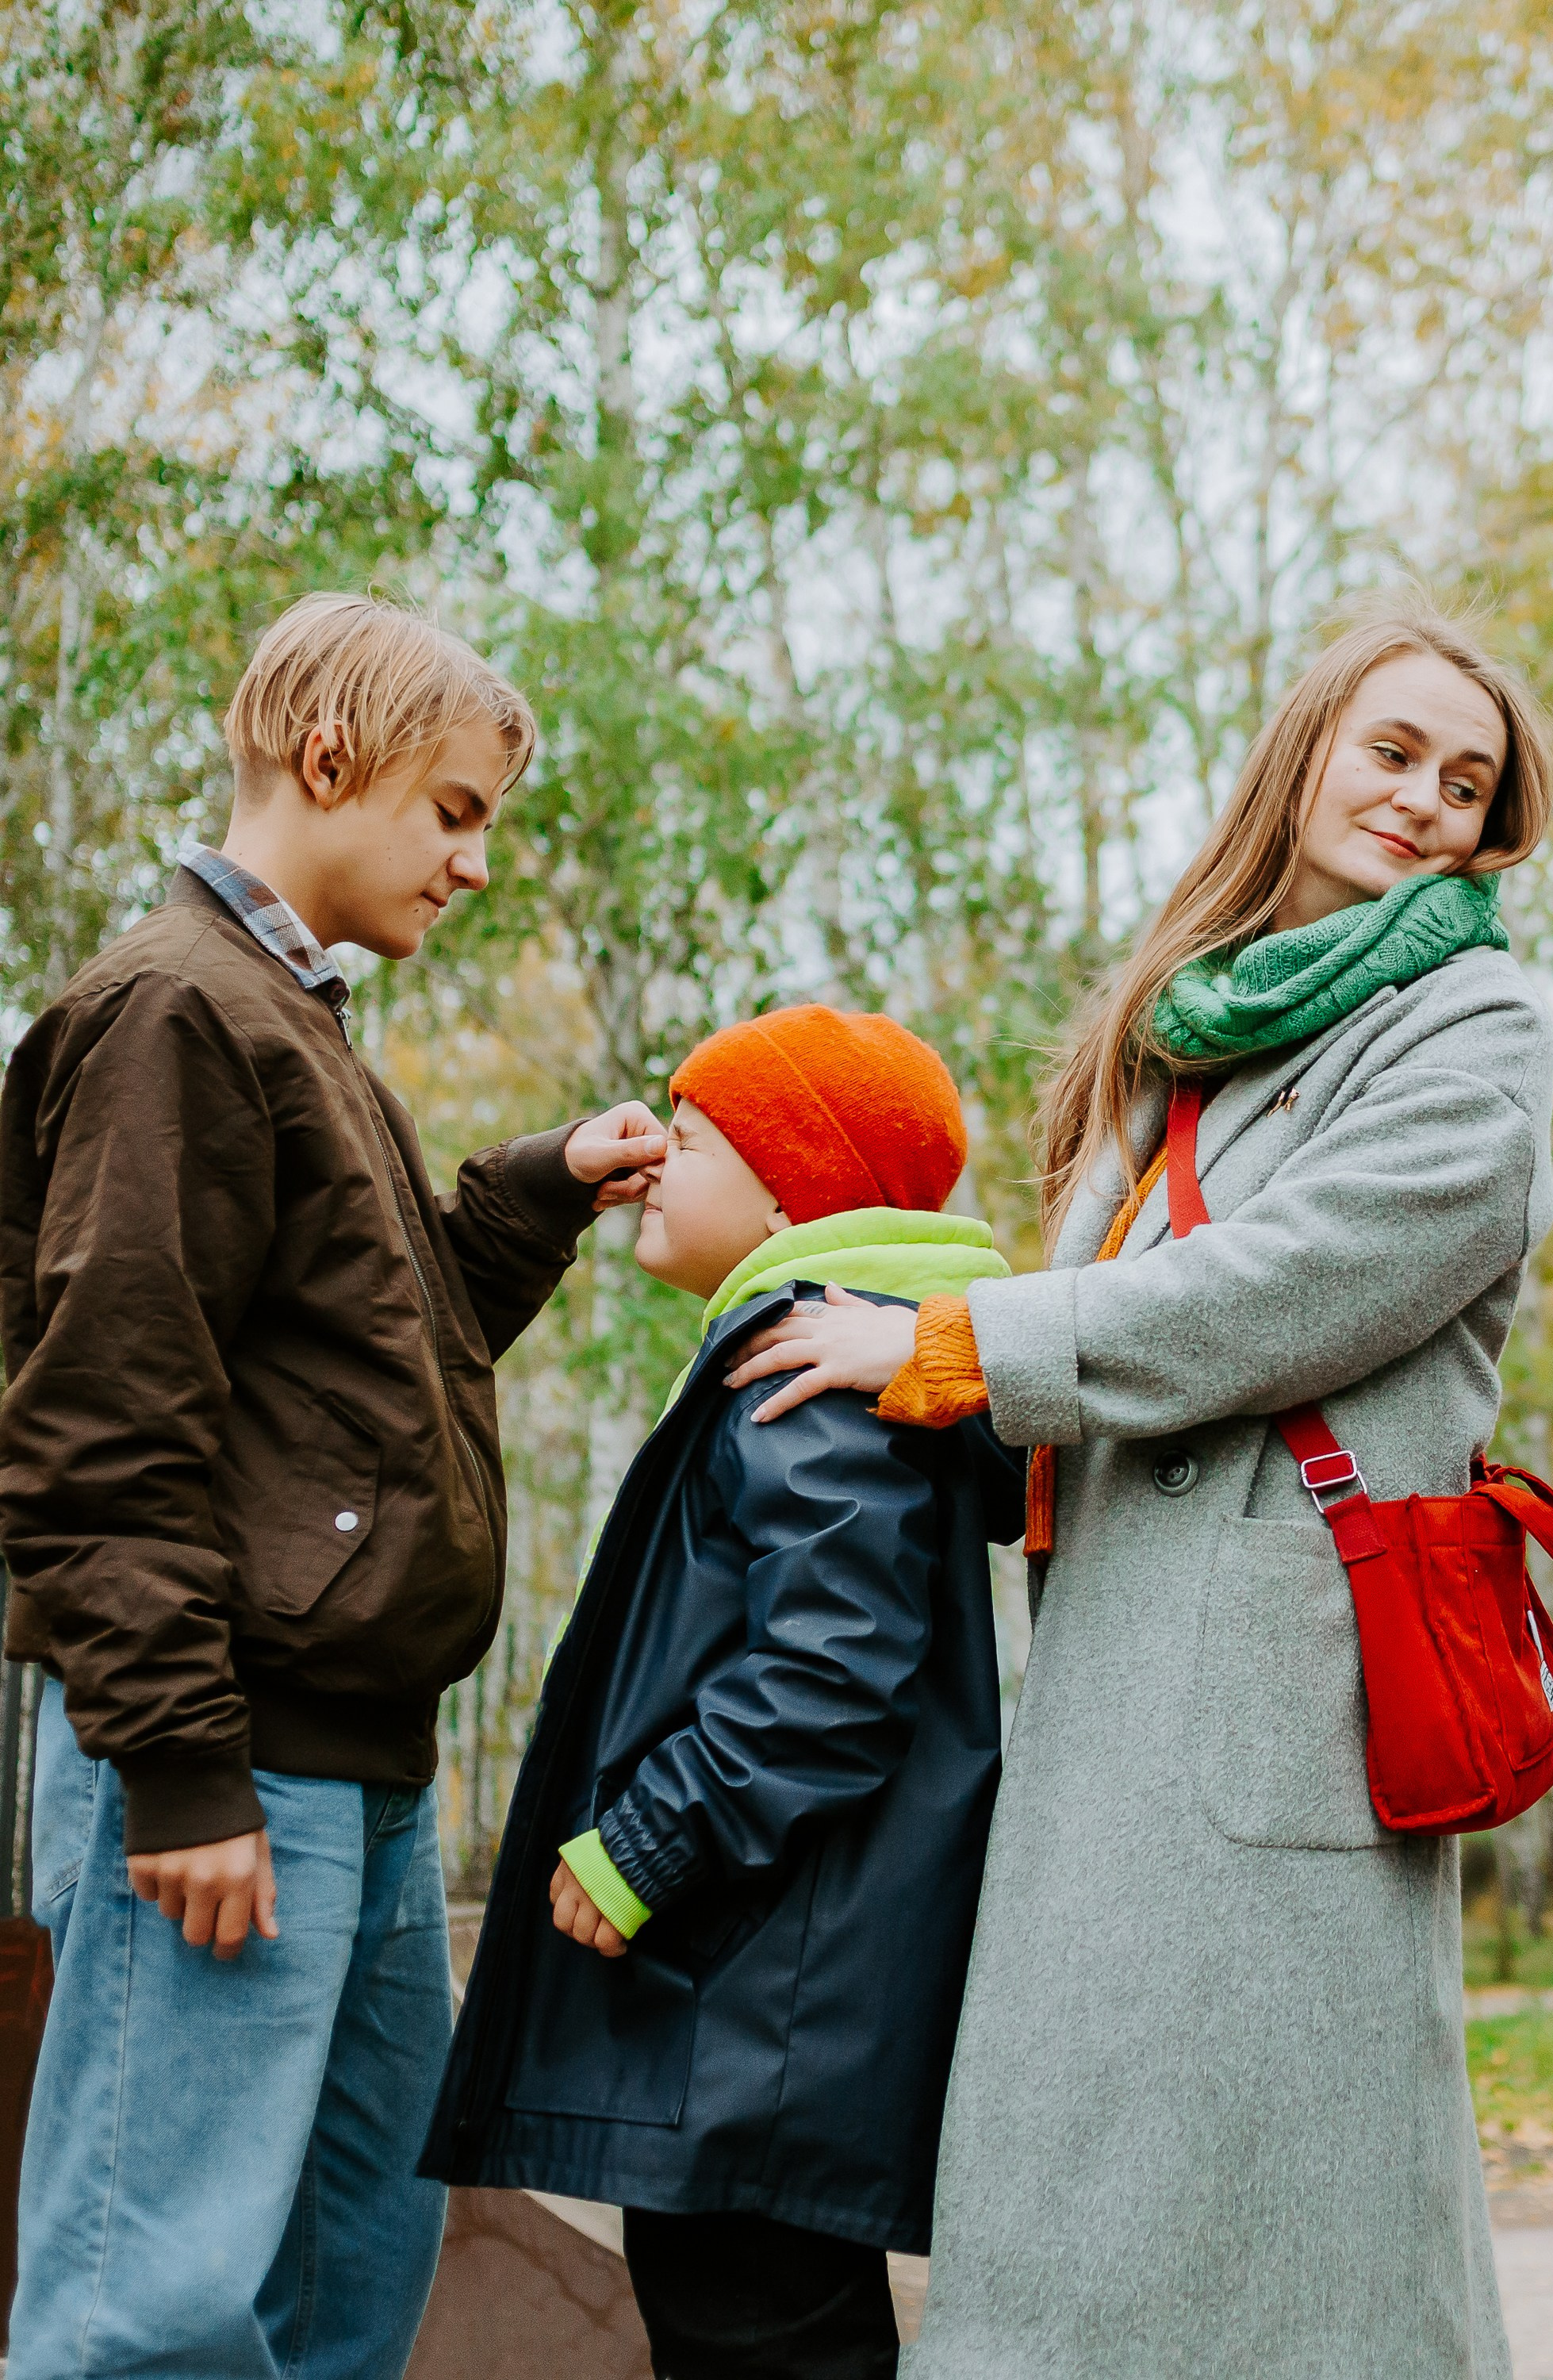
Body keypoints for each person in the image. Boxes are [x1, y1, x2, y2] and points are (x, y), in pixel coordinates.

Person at [726, 597, 1553, 2378]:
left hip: (1283, 1694)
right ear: (1304, 758)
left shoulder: (1476, 1025)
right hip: (1107, 1674)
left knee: (1291, 2238)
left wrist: (955, 1341)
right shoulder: (1179, 1023)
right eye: (1390, 753)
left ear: (1495, 832)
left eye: (1465, 783)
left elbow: (1292, 1283)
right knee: (1082, 2212)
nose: (1421, 801)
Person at [0, 593, 667, 2380]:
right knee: (153, 2304)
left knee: (342, 2279)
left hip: (356, 1777)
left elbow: (362, 1366)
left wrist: (532, 1195)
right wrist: (181, 1768)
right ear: (327, 761)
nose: (472, 866)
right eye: (454, 813)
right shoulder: (172, 1015)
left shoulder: (298, 1021)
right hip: (232, 1768)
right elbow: (100, 1426)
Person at [422, 1004, 1028, 2380]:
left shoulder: (808, 1374)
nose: (649, 1165)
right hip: (771, 2006)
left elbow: (830, 1666)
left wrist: (647, 1837)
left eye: (686, 1138)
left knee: (757, 2330)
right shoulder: (827, 1357)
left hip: (763, 2010)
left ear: (787, 1187)